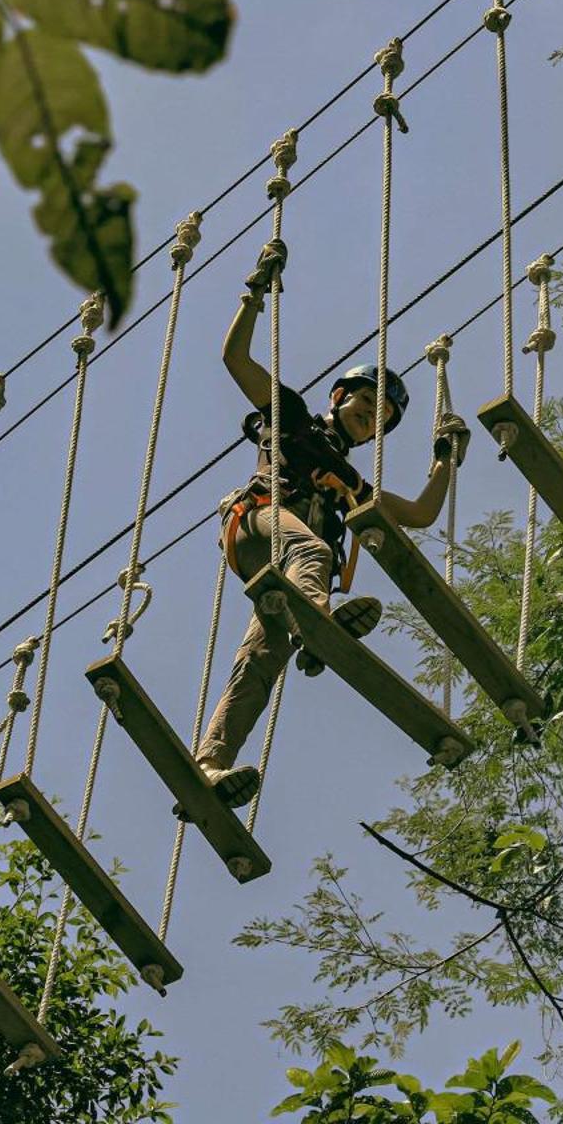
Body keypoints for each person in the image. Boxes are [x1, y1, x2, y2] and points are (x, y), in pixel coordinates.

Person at [190, 239, 471, 810]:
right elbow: (236, 361)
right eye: (367, 404)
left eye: (382, 420)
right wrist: (254, 293)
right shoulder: (290, 415)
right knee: (315, 553)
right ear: (340, 397)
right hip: (258, 526)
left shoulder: (350, 480)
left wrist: (446, 460)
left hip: (290, 575)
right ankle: (320, 622)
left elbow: (419, 514)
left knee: (261, 660)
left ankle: (209, 764)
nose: (373, 418)